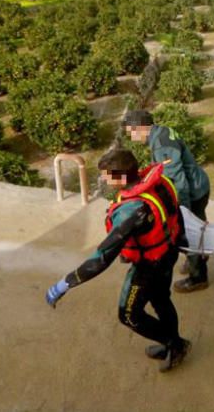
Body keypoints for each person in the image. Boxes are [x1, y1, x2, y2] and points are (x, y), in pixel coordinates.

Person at [44, 149, 191, 372]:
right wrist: (181, 240)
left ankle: (175, 344)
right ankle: (173, 342)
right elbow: (175, 211)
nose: (103, 178)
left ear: (122, 178)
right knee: (161, 299)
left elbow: (102, 258)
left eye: (107, 175)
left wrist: (66, 283)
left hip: (149, 266)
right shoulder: (161, 181)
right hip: (168, 252)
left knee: (129, 314)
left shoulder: (132, 212)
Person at [123, 109, 212, 293]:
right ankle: (199, 257)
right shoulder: (161, 133)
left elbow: (178, 181)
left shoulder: (162, 144)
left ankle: (198, 277)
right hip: (198, 187)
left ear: (141, 128)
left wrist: (182, 211)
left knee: (188, 234)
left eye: (131, 132)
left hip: (192, 193)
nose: (131, 137)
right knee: (198, 230)